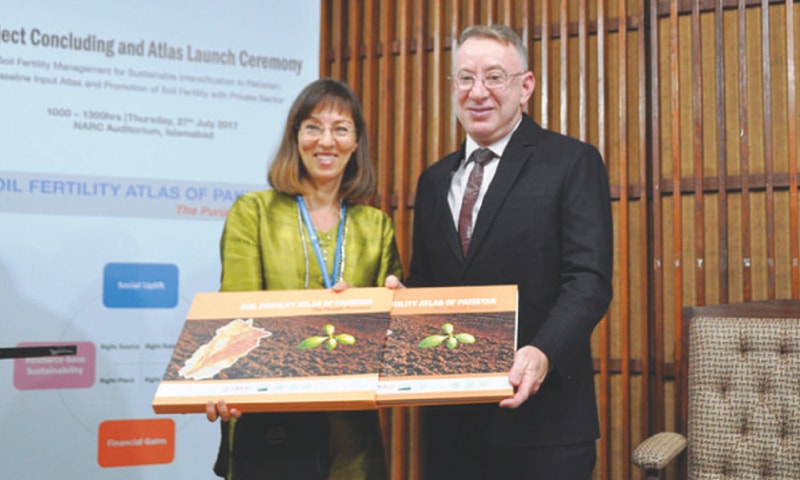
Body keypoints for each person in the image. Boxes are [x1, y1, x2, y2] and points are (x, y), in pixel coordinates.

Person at [386, 24, 613, 479]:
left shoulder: (571, 162)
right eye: (465, 78)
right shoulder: (433, 181)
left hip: (544, 425)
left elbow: (588, 281)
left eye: (494, 77)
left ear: (525, 86)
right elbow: (429, 281)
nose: (478, 92)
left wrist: (543, 351)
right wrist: (404, 301)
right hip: (450, 429)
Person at [206, 77, 403, 480]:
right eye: (313, 127)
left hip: (350, 433)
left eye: (340, 129)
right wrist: (222, 380)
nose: (326, 141)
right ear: (295, 137)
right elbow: (236, 317)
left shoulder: (376, 226)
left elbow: (392, 335)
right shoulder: (253, 212)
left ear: (356, 143)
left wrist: (376, 310)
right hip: (268, 420)